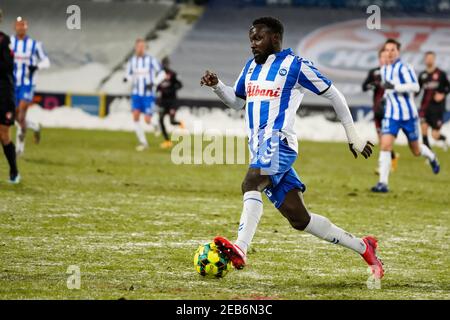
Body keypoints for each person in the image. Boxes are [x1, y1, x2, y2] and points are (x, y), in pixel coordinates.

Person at [200, 17, 384, 279]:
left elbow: (334, 94)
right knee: (300, 219)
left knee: (251, 183)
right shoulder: (251, 67)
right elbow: (238, 102)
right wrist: (217, 86)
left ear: (275, 38)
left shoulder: (295, 66)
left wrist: (352, 135)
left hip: (279, 143)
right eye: (251, 38)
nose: (252, 44)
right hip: (260, 147)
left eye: (258, 38)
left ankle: (241, 247)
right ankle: (364, 247)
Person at [371, 39, 439, 193]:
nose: (389, 52)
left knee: (415, 151)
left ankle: (432, 156)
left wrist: (395, 87)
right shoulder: (384, 70)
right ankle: (383, 183)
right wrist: (386, 97)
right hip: (392, 115)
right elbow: (389, 89)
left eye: (392, 49)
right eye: (387, 50)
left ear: (398, 51)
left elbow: (415, 86)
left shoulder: (405, 68)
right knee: (385, 145)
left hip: (408, 116)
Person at [11, 17, 50, 156]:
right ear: (14, 27)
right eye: (18, 25)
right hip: (12, 83)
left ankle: (19, 149)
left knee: (21, 115)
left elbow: (46, 61)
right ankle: (34, 126)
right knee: (13, 116)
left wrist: (37, 66)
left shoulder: (35, 45)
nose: (21, 27)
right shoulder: (9, 43)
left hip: (27, 84)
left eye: (23, 25)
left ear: (26, 27)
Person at [124, 38, 165, 151]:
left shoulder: (151, 60)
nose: (141, 49)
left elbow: (162, 73)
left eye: (143, 46)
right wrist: (127, 79)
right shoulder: (132, 61)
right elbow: (128, 75)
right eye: (139, 46)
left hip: (148, 95)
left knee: (147, 120)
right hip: (136, 94)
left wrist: (154, 83)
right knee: (135, 117)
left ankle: (155, 125)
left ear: (145, 48)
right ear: (136, 48)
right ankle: (143, 142)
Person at [362, 48, 399, 172]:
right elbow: (364, 86)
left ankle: (384, 166)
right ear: (379, 59)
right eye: (382, 57)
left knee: (385, 139)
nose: (385, 59)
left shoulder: (394, 72)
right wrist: (370, 86)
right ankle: (392, 158)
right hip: (378, 109)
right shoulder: (374, 72)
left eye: (387, 57)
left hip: (391, 110)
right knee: (381, 140)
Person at [0, 9, 20, 183]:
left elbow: (8, 66)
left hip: (4, 93)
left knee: (3, 133)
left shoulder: (4, 40)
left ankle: (14, 170)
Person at [418, 51, 450, 151]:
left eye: (431, 58)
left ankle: (443, 139)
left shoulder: (441, 74)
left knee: (435, 135)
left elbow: (448, 87)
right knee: (423, 127)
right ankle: (429, 154)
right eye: (427, 58)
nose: (429, 60)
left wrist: (442, 94)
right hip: (425, 107)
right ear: (425, 59)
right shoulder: (422, 75)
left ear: (434, 59)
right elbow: (417, 90)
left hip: (437, 108)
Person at [157, 56, 184, 149]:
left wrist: (171, 89)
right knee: (160, 120)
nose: (165, 66)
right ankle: (167, 141)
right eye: (163, 64)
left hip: (172, 101)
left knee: (172, 121)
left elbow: (180, 85)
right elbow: (156, 87)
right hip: (163, 102)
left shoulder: (173, 74)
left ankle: (180, 124)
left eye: (166, 64)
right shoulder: (159, 75)